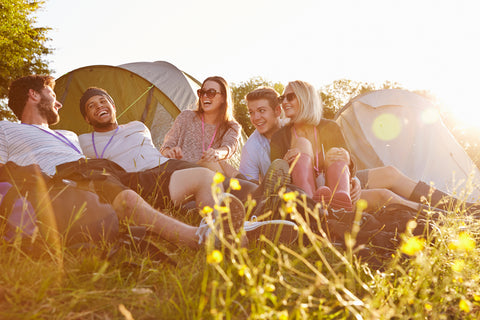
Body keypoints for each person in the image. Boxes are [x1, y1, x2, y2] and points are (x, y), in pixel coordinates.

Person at [2, 75, 247, 249]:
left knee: (203, 177)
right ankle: (200, 239)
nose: (59, 103)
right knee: (128, 200)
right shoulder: (6, 129)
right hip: (68, 179)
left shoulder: (69, 135)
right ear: (33, 95)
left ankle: (230, 230)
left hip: (105, 171)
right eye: (52, 95)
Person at [77, 86, 298, 244]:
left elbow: (151, 151)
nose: (99, 106)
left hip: (167, 165)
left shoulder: (138, 126)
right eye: (92, 106)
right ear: (87, 118)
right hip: (140, 177)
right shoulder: (83, 142)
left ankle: (268, 200)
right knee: (206, 178)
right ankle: (244, 222)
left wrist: (168, 153)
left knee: (227, 183)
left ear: (113, 106)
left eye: (103, 101)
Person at [160, 76, 243, 178]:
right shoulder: (186, 117)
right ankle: (247, 186)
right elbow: (165, 147)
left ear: (223, 98)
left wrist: (217, 153)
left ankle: (249, 186)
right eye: (201, 92)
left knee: (216, 162)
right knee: (213, 163)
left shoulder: (232, 127)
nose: (205, 96)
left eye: (211, 92)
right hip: (182, 174)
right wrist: (169, 152)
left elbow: (229, 148)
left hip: (210, 175)